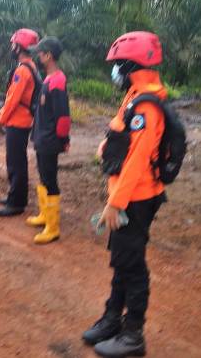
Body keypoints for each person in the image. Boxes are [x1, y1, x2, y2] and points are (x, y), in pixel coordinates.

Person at [82, 31, 167, 358]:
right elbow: (119, 139)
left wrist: (115, 204)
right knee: (121, 259)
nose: (115, 70)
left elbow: (137, 159)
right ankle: (111, 319)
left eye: (118, 64)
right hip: (126, 193)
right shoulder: (135, 95)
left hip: (136, 197)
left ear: (132, 64)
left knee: (131, 265)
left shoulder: (147, 104)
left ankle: (133, 335)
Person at [26, 37, 70, 244]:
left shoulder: (58, 81)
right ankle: (45, 215)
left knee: (50, 181)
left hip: (50, 140)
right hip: (42, 137)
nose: (37, 55)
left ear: (48, 55)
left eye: (40, 52)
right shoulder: (49, 79)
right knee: (43, 177)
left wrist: (62, 139)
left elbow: (63, 116)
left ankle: (52, 228)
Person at [0, 28, 40, 217]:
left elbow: (13, 98)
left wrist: (1, 118)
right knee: (17, 161)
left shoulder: (22, 70)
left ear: (19, 47)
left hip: (18, 121)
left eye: (13, 44)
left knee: (15, 163)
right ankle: (16, 196)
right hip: (23, 120)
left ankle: (16, 202)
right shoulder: (31, 66)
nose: (11, 48)